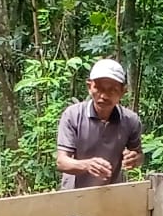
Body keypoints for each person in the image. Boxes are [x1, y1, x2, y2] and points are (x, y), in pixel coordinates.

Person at [55, 58, 144, 189]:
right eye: (99, 88)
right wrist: (87, 165)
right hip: (74, 194)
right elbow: (61, 162)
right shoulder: (73, 115)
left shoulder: (130, 120)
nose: (104, 96)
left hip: (112, 192)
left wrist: (135, 159)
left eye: (112, 90)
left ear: (123, 92)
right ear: (89, 87)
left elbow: (139, 156)